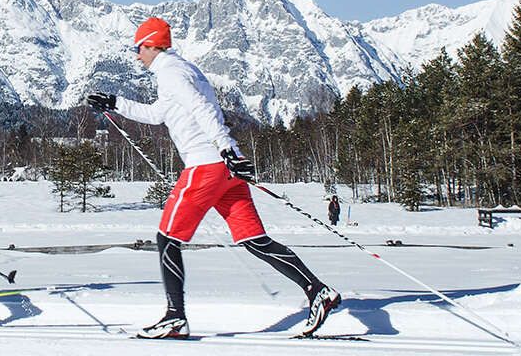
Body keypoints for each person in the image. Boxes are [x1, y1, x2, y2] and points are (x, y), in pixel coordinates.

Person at [88, 17, 342, 339]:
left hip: (205, 165)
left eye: (139, 48)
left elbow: (198, 108)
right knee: (254, 240)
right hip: (226, 172)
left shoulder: (169, 72)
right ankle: (317, 290)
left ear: (151, 44)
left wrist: (225, 147)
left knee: (168, 238)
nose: (137, 55)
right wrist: (115, 104)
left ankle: (175, 316)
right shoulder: (181, 70)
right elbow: (158, 115)